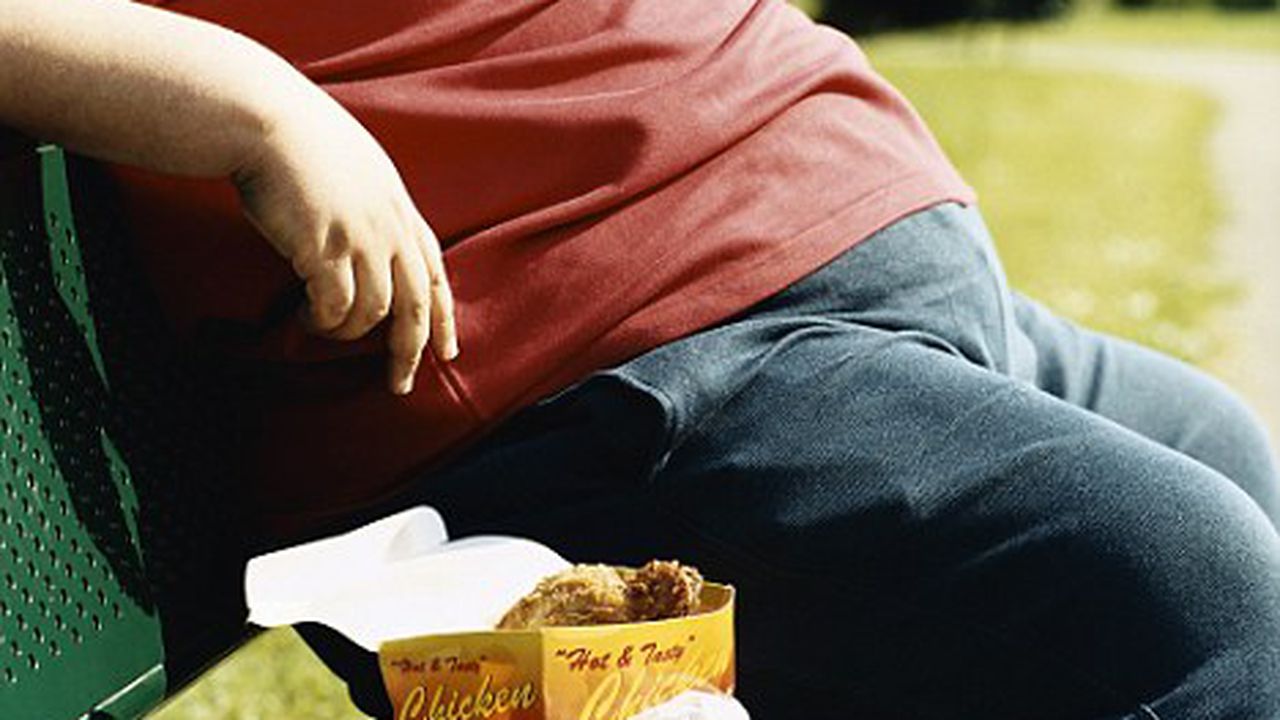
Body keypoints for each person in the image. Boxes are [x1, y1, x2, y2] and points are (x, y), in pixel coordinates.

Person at [3, 0, 1278, 718]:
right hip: (610, 386)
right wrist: (248, 96)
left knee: (1221, 455)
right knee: (1194, 597)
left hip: (845, 269)